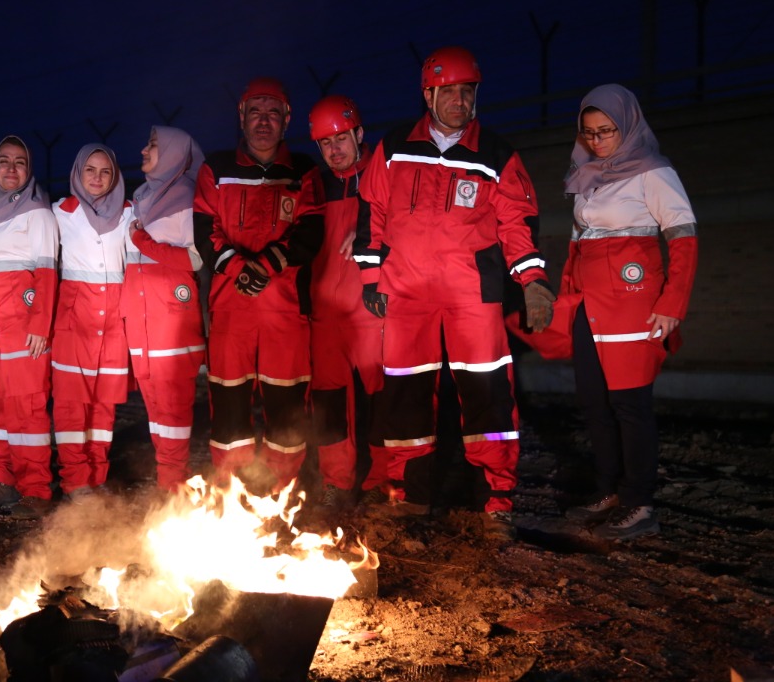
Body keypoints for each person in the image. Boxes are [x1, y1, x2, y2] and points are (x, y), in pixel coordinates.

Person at [358, 47, 555, 540]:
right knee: (405, 395)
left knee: (488, 396)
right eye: (449, 92)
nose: (459, 101)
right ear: (429, 94)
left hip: (474, 296)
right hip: (406, 295)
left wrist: (532, 280)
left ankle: (496, 501)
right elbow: (371, 212)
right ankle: (407, 495)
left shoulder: (497, 154)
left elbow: (519, 223)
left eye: (468, 91)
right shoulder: (395, 145)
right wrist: (370, 277)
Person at [560, 84, 697, 540]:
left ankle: (639, 503)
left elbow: (684, 240)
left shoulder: (654, 172)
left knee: (630, 406)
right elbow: (578, 244)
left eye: (607, 132)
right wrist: (564, 299)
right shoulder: (586, 174)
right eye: (590, 133)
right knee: (595, 404)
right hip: (588, 306)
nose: (598, 142)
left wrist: (671, 303)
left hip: (633, 305)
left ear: (629, 126)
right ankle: (609, 491)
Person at [193, 77, 324, 492]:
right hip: (231, 308)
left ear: (286, 120)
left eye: (273, 113)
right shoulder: (217, 168)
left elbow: (310, 230)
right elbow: (204, 230)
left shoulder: (303, 170)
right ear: (241, 117)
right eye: (255, 111)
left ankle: (280, 492)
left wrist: (265, 266)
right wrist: (238, 270)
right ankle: (232, 491)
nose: (263, 121)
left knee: (286, 403)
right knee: (229, 402)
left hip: (285, 309)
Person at [305, 95, 387, 512]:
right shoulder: (315, 186)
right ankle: (337, 483)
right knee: (330, 404)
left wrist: (376, 234)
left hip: (370, 310)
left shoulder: (384, 175)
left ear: (359, 133)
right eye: (324, 143)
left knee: (381, 399)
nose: (334, 149)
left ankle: (384, 482)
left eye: (340, 138)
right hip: (325, 314)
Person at [0, 136, 59, 519]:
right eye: (4, 161)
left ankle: (36, 488)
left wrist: (40, 324)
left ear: (30, 169)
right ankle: (1, 481)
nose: (11, 168)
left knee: (28, 404)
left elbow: (47, 270)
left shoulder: (38, 211)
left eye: (20, 162)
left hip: (24, 319)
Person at [124, 127, 207, 493]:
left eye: (153, 145)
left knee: (172, 409)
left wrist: (143, 241)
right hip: (141, 321)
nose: (144, 149)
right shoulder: (143, 196)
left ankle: (173, 486)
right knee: (154, 409)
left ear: (173, 153)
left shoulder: (187, 198)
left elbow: (195, 258)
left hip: (171, 321)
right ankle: (167, 483)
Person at [52, 144, 131, 500]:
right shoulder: (59, 212)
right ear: (77, 173)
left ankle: (97, 475)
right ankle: (75, 480)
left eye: (105, 172)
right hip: (75, 320)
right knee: (71, 403)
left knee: (104, 403)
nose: (98, 178)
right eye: (90, 170)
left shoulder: (130, 212)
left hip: (114, 320)